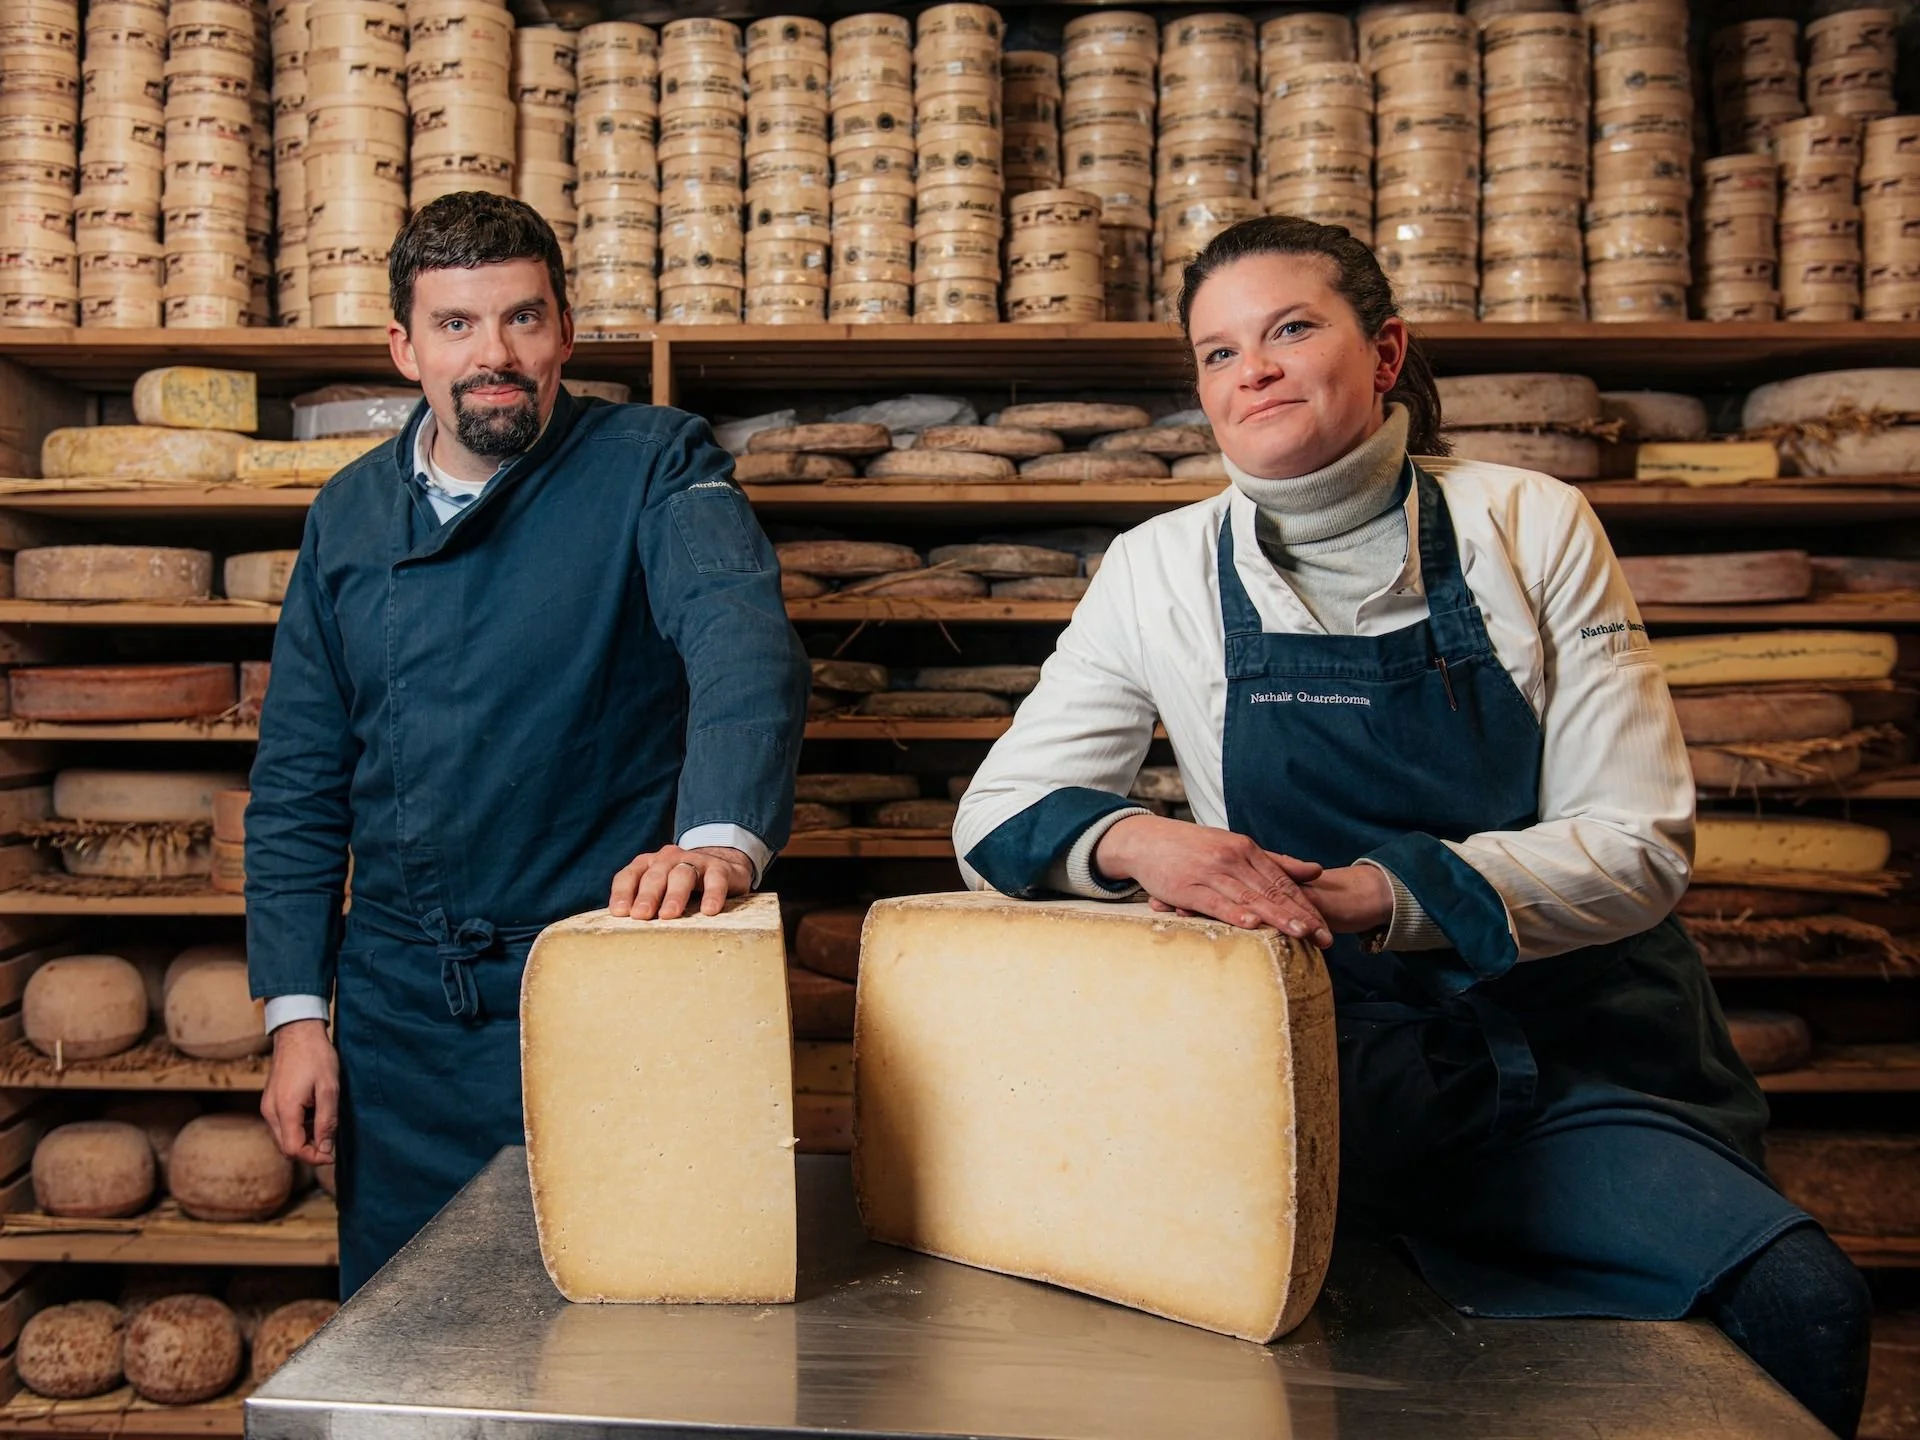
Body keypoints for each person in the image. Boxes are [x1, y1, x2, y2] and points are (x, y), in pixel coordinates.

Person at [953, 215, 1871, 1437]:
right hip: (1314, 1068)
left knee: (1802, 1302)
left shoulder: (1531, 521)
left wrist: (1372, 895)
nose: (1253, 371)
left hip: (1570, 1056)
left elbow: (1636, 843)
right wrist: (1143, 842)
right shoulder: (1156, 566)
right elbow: (999, 813)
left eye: (1290, 330)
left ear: (1385, 353)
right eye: (1219, 353)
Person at [246, 192, 811, 1296]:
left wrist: (720, 841)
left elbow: (741, 641)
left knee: (622, 1335)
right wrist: (297, 1018)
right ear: (405, 348)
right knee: (412, 1334)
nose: (492, 356)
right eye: (456, 324)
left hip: (606, 987)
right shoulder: (347, 514)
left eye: (522, 318)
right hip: (402, 1022)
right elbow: (300, 779)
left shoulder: (656, 462)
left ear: (565, 331)